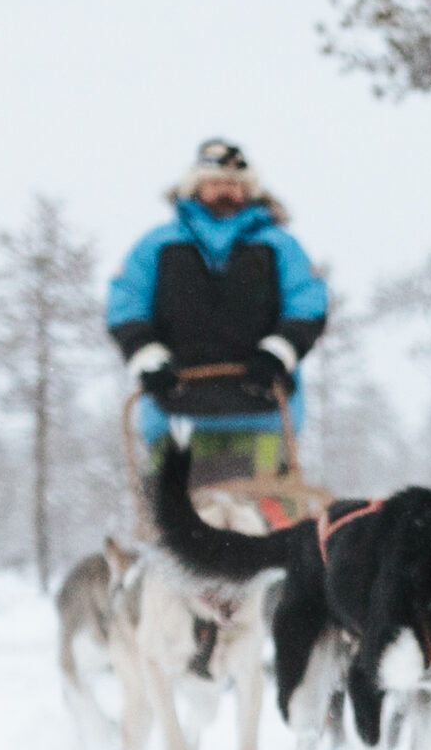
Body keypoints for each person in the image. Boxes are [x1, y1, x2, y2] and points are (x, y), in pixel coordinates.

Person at [107, 139, 328, 489]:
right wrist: (150, 361)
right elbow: (126, 306)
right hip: (175, 413)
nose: (226, 191)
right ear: (196, 187)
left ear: (248, 190)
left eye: (234, 184)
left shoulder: (280, 245)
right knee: (176, 524)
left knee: (268, 523)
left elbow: (308, 305)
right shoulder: (156, 245)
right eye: (216, 183)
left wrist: (274, 356)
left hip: (264, 412)